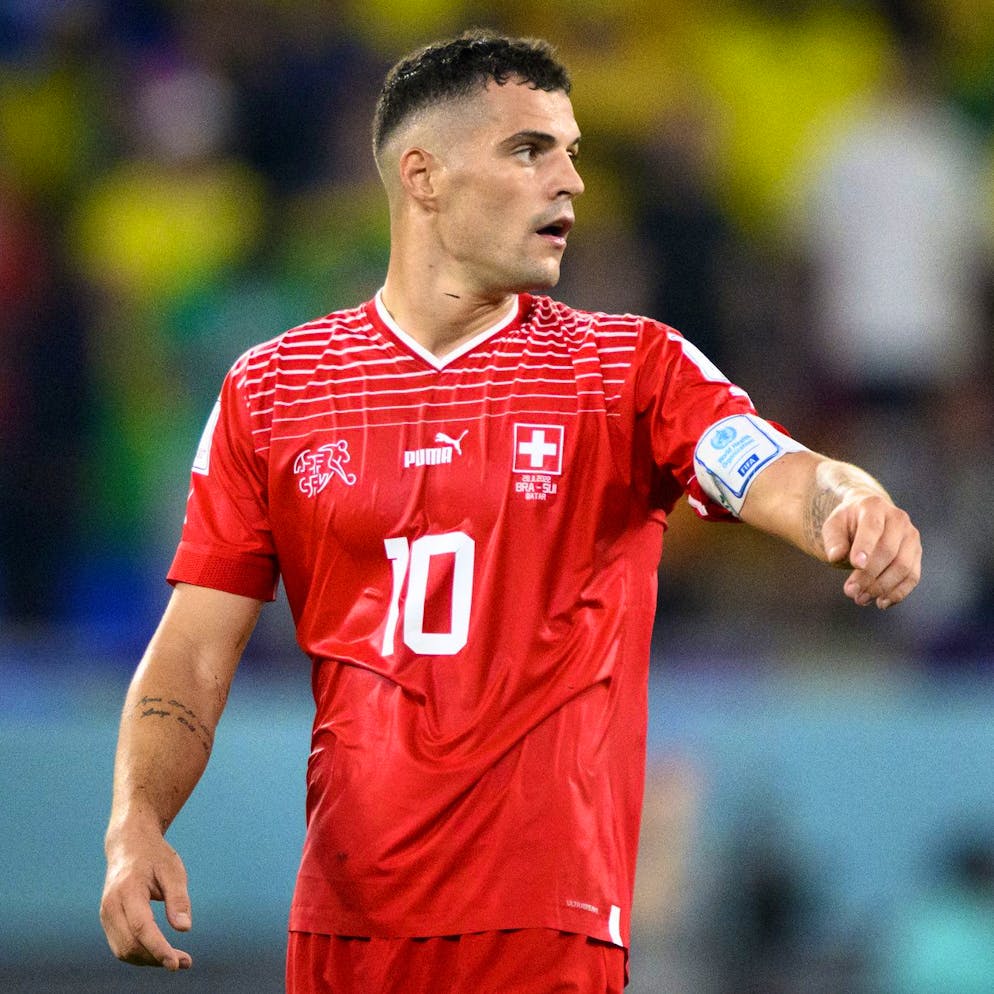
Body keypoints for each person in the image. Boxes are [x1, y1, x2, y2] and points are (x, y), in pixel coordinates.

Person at [99, 29, 922, 994]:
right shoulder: (273, 390)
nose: (569, 181)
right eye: (529, 149)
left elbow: (770, 467)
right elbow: (195, 648)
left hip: (544, 927)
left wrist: (846, 496)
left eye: (573, 151)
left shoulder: (626, 368)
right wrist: (135, 825)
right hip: (342, 931)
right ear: (424, 177)